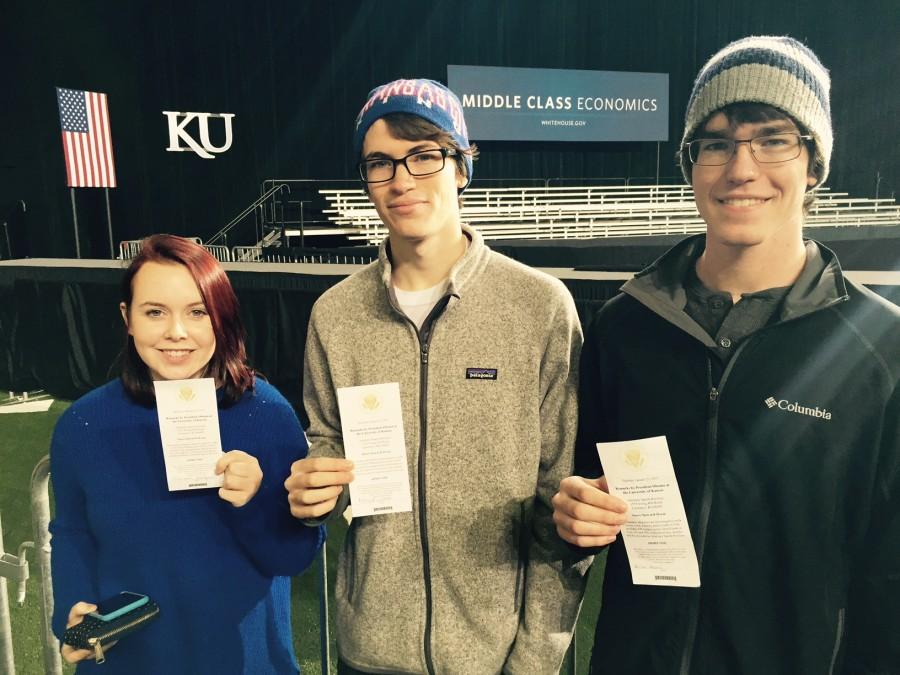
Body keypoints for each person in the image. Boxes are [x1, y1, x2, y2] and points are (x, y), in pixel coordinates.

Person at [552, 35, 899, 674]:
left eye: (773, 138)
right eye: (716, 143)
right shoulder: (625, 327)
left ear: (814, 164)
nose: (741, 169)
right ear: (690, 165)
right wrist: (568, 516)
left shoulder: (882, 351)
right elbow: (577, 495)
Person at [284, 79, 589, 674]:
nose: (402, 180)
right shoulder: (336, 315)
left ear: (461, 167)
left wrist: (533, 659)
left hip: (496, 656)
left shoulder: (540, 307)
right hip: (370, 650)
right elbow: (330, 449)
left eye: (423, 155)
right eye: (380, 163)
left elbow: (562, 494)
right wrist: (317, 488)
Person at [49, 235, 324, 673]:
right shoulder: (83, 424)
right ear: (128, 318)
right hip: (131, 659)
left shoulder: (267, 413)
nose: (177, 331)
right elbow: (72, 533)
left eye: (198, 312)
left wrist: (252, 502)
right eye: (155, 312)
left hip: (244, 660)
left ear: (221, 318)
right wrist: (73, 606)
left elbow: (292, 557)